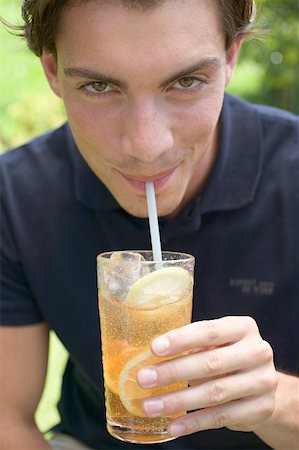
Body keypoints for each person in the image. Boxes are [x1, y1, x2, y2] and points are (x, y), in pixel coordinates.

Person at [0, 1, 298, 449]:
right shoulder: (16, 193)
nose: (146, 145)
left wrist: (275, 402)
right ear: (52, 72)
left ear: (231, 58)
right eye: (99, 85)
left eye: (186, 81)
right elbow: (7, 416)